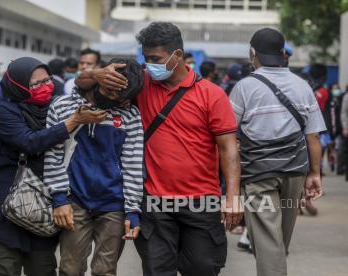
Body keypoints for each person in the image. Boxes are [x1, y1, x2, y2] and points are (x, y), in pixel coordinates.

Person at [76, 22, 242, 276]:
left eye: (155, 58)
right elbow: (82, 82)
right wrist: (97, 74)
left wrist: (232, 197)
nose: (149, 64)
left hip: (201, 202)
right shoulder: (140, 84)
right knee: (156, 271)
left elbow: (228, 149)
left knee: (203, 268)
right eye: (146, 57)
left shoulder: (212, 94)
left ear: (177, 56)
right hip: (154, 203)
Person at [0, 57, 106, 276]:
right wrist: (72, 121)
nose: (46, 87)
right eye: (36, 84)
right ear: (19, 86)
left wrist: (98, 76)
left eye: (48, 80)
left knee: (43, 268)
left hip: (42, 205)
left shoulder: (57, 107)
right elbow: (29, 142)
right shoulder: (4, 111)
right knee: (7, 268)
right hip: (3, 204)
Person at [229, 28, 325, 276]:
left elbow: (229, 133)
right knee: (278, 241)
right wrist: (315, 173)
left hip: (258, 175)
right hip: (294, 173)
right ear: (283, 53)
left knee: (270, 244)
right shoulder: (302, 86)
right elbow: (313, 136)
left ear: (253, 53)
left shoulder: (245, 87)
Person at [44, 58, 144, 276]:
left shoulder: (130, 115)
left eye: (120, 96)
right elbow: (53, 155)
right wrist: (59, 197)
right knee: (70, 269)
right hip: (74, 201)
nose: (112, 98)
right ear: (101, 78)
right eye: (108, 91)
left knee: (105, 270)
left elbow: (132, 163)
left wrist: (133, 209)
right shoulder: (63, 107)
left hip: (113, 205)